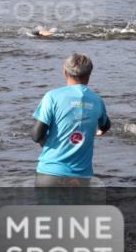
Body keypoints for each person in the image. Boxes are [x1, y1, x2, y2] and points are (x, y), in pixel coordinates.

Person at [32, 53, 110, 187]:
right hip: (82, 177)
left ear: (64, 71)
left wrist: (46, 143)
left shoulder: (52, 97)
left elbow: (36, 135)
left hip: (50, 173)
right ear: (89, 74)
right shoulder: (97, 101)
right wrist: (100, 130)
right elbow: (105, 125)